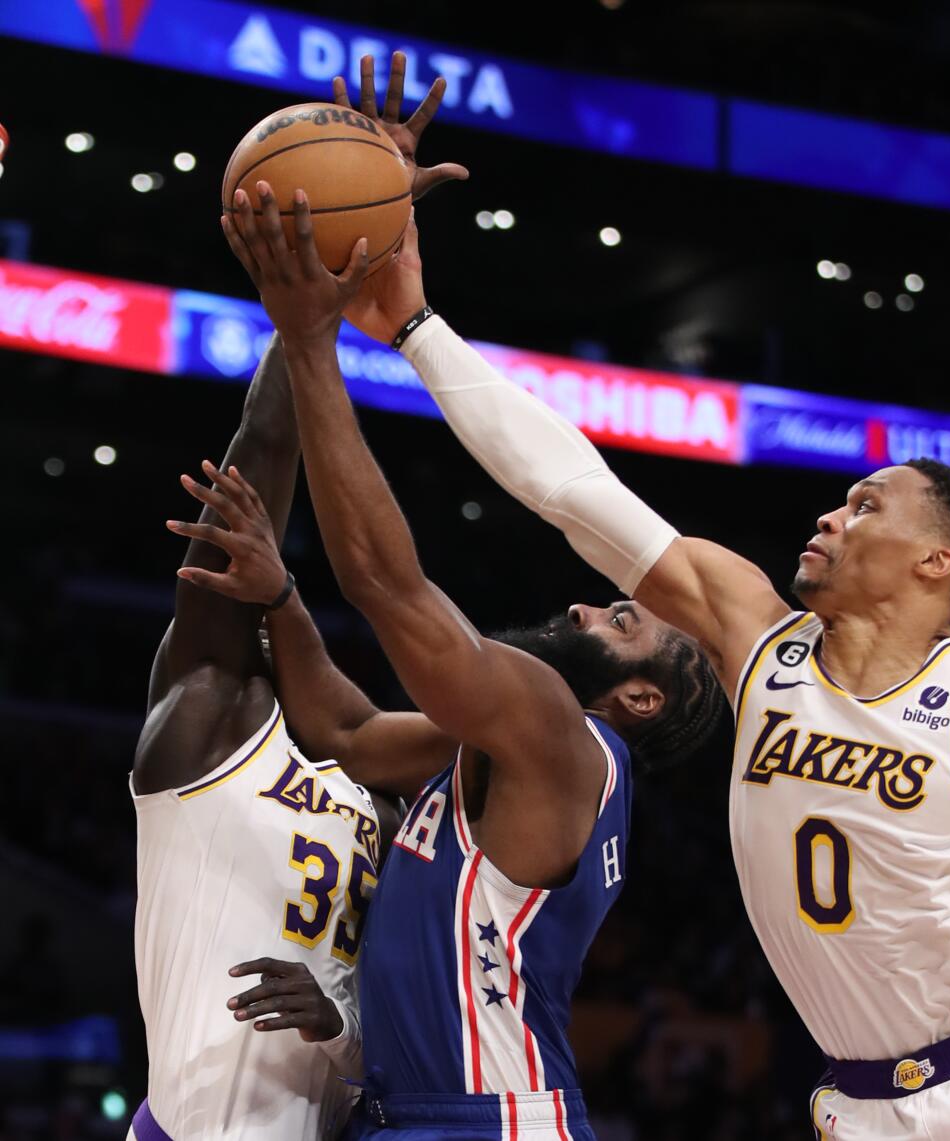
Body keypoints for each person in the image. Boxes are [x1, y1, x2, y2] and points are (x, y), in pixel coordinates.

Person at [335, 211, 950, 1139]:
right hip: (860, 1103)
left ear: (935, 562)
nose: (830, 516)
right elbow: (571, 489)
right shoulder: (757, 641)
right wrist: (417, 330)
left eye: (866, 506)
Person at [202, 179, 723, 1141]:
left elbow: (388, 587)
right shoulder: (512, 748)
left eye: (619, 621)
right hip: (428, 1113)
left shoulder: (561, 735)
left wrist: (315, 345)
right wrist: (280, 597)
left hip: (489, 1121)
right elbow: (348, 733)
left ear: (641, 696)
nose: (583, 605)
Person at [130, 55, 464, 1141]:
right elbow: (264, 447)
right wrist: (327, 271)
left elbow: (391, 1022)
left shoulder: (373, 794)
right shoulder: (205, 719)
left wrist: (340, 1018)